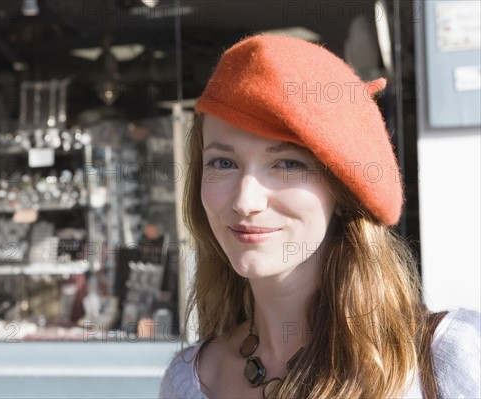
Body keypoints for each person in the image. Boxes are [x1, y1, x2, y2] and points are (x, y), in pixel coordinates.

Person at [159, 34, 480, 399]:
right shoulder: (191, 380)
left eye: (288, 164)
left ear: (343, 193)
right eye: (223, 162)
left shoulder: (452, 359)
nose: (245, 201)